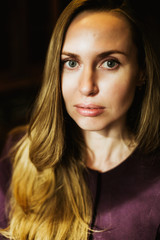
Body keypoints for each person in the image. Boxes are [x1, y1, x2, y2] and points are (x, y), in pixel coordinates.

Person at [0, 0, 160, 239]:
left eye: (109, 63)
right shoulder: (19, 152)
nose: (87, 87)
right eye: (71, 63)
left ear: (141, 72)